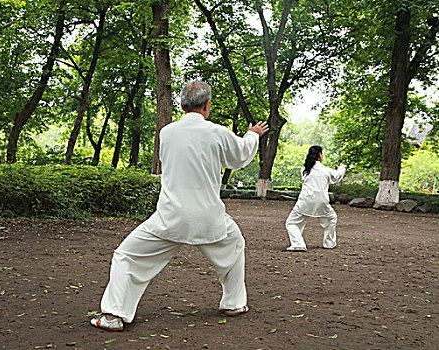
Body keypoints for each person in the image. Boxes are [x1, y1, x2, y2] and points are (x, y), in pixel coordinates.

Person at [90, 81, 269, 331]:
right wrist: (253, 134)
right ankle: (234, 304)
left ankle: (112, 316)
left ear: (182, 105)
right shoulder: (217, 132)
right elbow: (240, 156)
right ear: (207, 105)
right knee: (235, 245)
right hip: (209, 216)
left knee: (126, 256)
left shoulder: (167, 132)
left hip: (170, 216)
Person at [285, 145, 346, 251]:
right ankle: (329, 243)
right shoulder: (326, 170)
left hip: (305, 201)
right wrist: (342, 168)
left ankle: (298, 243)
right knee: (331, 219)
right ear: (320, 155)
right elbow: (337, 176)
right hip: (321, 201)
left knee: (292, 223)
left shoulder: (304, 170)